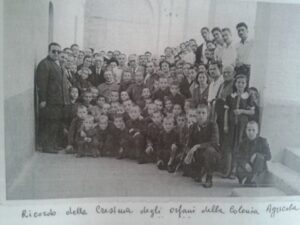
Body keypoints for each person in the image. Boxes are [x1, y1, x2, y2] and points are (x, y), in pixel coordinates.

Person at [36, 42, 69, 153]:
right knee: (49, 123)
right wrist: (43, 100)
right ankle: (47, 146)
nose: (56, 53)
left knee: (55, 123)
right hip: (49, 101)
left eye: (58, 51)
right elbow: (42, 84)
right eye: (53, 51)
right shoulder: (44, 64)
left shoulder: (56, 64)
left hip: (57, 101)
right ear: (49, 51)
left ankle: (53, 144)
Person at [222, 74, 255, 178]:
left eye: (243, 83)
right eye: (238, 82)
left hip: (242, 126)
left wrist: (241, 111)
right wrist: (225, 125)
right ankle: (227, 169)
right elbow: (226, 112)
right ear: (235, 83)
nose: (240, 84)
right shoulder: (230, 97)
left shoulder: (248, 97)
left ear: (246, 84)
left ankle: (234, 170)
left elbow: (252, 112)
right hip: (231, 125)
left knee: (238, 145)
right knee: (229, 146)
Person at [184, 104, 220, 188]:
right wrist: (188, 153)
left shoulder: (213, 125)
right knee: (187, 169)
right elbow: (189, 143)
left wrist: (198, 146)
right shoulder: (193, 126)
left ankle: (209, 177)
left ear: (208, 114)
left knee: (210, 151)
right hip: (198, 154)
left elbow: (214, 142)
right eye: (199, 113)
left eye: (203, 113)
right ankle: (199, 171)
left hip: (212, 153)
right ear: (196, 114)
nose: (201, 115)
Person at [236, 121, 271, 186]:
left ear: (257, 131)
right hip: (247, 167)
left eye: (253, 130)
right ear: (246, 131)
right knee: (239, 169)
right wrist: (245, 164)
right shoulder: (243, 142)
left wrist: (256, 154)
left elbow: (269, 156)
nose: (251, 132)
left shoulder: (262, 141)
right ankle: (246, 179)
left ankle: (252, 180)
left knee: (259, 157)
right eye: (249, 130)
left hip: (258, 168)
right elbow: (238, 156)